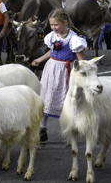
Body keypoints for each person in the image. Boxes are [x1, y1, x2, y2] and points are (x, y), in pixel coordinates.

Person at [31, 8, 87, 142]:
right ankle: (42, 128)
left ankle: (71, 129)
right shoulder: (53, 36)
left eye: (56, 24)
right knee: (46, 97)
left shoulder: (73, 39)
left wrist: (85, 73)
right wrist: (40, 59)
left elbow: (81, 60)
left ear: (65, 23)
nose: (54, 27)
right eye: (51, 25)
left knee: (68, 99)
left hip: (66, 71)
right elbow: (52, 51)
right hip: (51, 69)